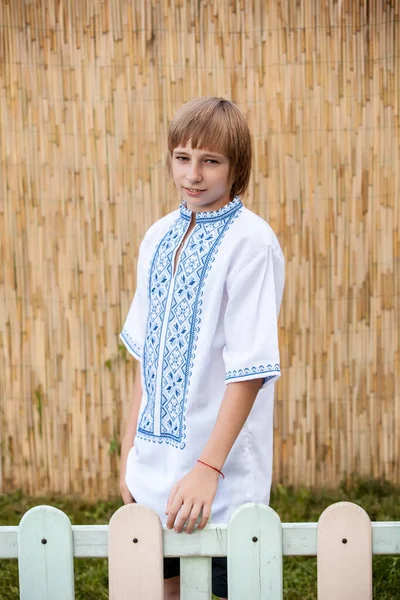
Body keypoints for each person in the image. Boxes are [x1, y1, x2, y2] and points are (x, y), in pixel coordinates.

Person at [119, 96, 285, 600]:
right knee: (158, 589)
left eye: (211, 161)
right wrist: (129, 453)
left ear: (237, 168)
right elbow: (145, 358)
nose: (193, 174)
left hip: (220, 478)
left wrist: (207, 471)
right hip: (153, 471)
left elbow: (249, 371)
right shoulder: (158, 237)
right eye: (183, 157)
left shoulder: (251, 244)